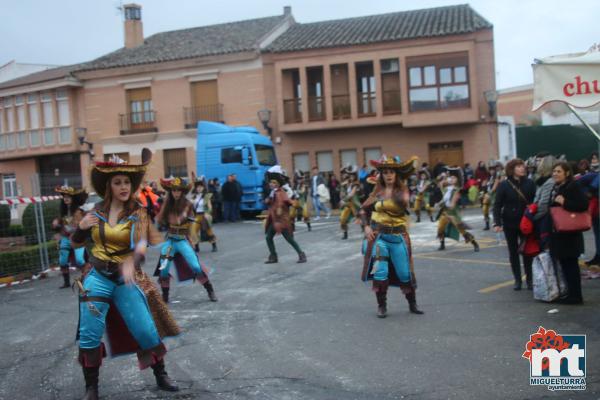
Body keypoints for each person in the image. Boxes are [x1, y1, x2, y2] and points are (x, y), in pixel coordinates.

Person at [70, 149, 180, 398]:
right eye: (117, 182)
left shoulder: (138, 212)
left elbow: (141, 245)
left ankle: (160, 374)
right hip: (97, 277)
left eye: (127, 182)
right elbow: (76, 242)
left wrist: (132, 261)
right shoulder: (94, 211)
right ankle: (91, 387)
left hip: (125, 279)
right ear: (109, 186)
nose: (123, 186)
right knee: (89, 334)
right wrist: (80, 227)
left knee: (145, 330)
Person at [360, 155, 424, 318]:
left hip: (398, 237)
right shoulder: (377, 192)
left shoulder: (402, 191)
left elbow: (399, 205)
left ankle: (412, 303)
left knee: (404, 273)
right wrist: (367, 226)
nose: (388, 175)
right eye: (385, 172)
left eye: (392, 172)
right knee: (380, 271)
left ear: (396, 175)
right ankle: (381, 306)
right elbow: (362, 210)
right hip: (380, 238)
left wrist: (378, 205)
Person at [154, 177, 217, 303]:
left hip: (182, 241)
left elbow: (184, 219)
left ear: (182, 192)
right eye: (174, 190)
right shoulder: (167, 203)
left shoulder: (187, 204)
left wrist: (183, 218)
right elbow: (159, 220)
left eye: (178, 190)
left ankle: (210, 290)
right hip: (170, 241)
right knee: (164, 268)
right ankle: (165, 295)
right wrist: (163, 211)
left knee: (196, 266)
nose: (176, 193)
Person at [547, 162, 589, 304]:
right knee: (565, 264)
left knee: (571, 265)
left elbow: (583, 205)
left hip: (570, 234)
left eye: (558, 171)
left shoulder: (573, 186)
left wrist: (564, 202)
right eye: (554, 171)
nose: (555, 174)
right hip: (560, 233)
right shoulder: (557, 187)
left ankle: (576, 296)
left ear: (567, 173)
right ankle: (571, 293)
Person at [492, 159, 536, 290]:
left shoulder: (530, 183)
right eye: (518, 166)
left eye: (523, 166)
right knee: (513, 251)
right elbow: (497, 205)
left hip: (526, 222)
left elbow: (535, 201)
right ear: (512, 169)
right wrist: (497, 222)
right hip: (510, 222)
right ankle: (517, 279)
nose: (522, 168)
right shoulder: (504, 185)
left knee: (528, 251)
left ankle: (529, 279)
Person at [264, 166, 307, 264]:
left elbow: (281, 203)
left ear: (278, 184)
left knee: (289, 239)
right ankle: (273, 255)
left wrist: (279, 214)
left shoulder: (280, 192)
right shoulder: (273, 192)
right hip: (275, 219)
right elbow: (272, 201)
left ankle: (301, 254)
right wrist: (268, 201)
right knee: (268, 237)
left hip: (281, 220)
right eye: (271, 182)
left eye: (274, 182)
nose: (271, 184)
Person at [436, 167, 480, 252]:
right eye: (451, 177)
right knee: (440, 228)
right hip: (445, 213)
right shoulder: (446, 188)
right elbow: (440, 183)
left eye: (454, 178)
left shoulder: (457, 191)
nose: (451, 179)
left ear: (458, 180)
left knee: (462, 230)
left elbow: (452, 205)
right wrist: (444, 176)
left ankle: (474, 243)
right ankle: (442, 244)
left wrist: (442, 204)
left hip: (453, 214)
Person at [53, 186, 88, 289]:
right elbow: (59, 226)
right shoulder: (63, 212)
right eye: (64, 197)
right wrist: (56, 224)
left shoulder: (79, 211)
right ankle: (66, 282)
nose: (66, 199)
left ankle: (87, 279)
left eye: (68, 197)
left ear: (73, 199)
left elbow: (82, 226)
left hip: (77, 238)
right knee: (62, 261)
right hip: (65, 238)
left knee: (80, 260)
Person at [191, 179, 217, 252]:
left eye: (200, 187)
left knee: (209, 231)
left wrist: (207, 213)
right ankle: (196, 247)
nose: (199, 188)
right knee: (193, 230)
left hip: (204, 215)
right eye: (197, 187)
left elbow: (210, 207)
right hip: (197, 216)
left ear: (203, 188)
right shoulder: (194, 196)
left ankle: (214, 245)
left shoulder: (206, 197)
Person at [339, 166, 362, 240]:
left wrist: (344, 200)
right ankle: (345, 233)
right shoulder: (345, 183)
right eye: (350, 174)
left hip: (355, 205)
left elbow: (351, 194)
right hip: (348, 205)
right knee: (342, 219)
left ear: (355, 175)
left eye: (353, 175)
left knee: (362, 219)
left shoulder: (356, 184)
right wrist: (342, 191)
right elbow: (342, 194)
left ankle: (366, 230)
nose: (351, 176)